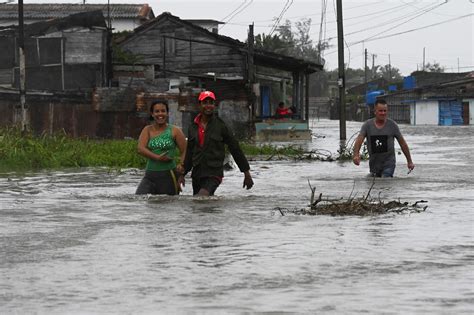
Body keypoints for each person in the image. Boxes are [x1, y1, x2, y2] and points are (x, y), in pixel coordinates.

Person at [182, 90, 254, 196]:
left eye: (211, 103)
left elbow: (235, 148)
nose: (208, 106)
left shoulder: (220, 126)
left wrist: (246, 173)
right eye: (205, 102)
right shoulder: (193, 127)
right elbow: (189, 152)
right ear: (199, 105)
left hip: (214, 173)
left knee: (201, 197)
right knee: (199, 207)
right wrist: (182, 174)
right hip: (197, 174)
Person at [136, 99, 187, 195]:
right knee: (139, 199)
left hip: (169, 175)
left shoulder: (175, 131)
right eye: (157, 111)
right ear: (152, 114)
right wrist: (157, 158)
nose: (160, 114)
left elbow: (185, 151)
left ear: (167, 113)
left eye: (163, 111)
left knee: (167, 206)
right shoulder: (147, 130)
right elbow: (140, 149)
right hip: (150, 175)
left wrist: (181, 167)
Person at [352, 99, 415, 177]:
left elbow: (403, 144)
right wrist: (356, 155)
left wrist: (409, 161)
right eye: (380, 111)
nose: (383, 113)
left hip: (389, 163)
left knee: (385, 180)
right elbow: (359, 140)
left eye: (385, 111)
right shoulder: (367, 125)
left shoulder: (392, 125)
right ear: (375, 111)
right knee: (374, 183)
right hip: (374, 164)